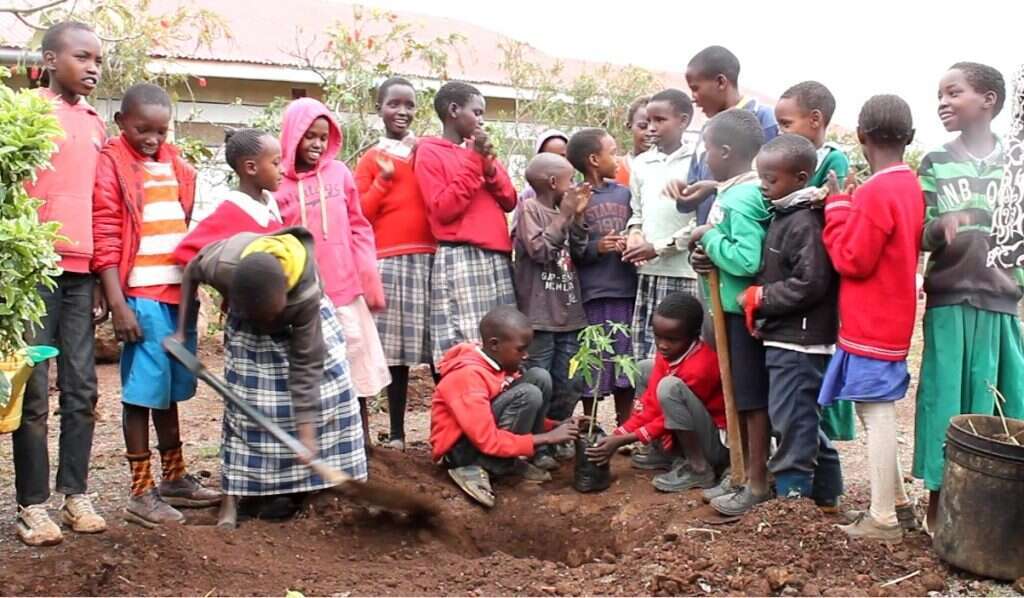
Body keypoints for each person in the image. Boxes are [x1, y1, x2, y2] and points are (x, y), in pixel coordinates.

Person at [172, 226, 367, 527]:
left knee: (331, 394)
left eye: (270, 317)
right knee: (244, 410)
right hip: (247, 328)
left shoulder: (305, 293)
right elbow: (192, 271)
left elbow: (306, 366)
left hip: (303, 330)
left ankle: (324, 490)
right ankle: (232, 498)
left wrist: (306, 435)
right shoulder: (223, 265)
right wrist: (181, 332)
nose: (267, 323)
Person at [92, 83, 222, 528]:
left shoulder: (175, 166)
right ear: (121, 122)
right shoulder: (112, 166)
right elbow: (106, 236)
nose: (152, 138)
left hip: (175, 297)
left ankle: (174, 478)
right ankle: (141, 490)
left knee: (169, 390)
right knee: (142, 394)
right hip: (141, 297)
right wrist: (117, 303)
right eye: (142, 129)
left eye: (160, 130)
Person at [913, 62, 1023, 534]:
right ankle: (940, 508)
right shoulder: (936, 162)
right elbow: (920, 233)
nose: (942, 101)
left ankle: (998, 513)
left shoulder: (1017, 165)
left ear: (989, 100)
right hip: (950, 299)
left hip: (1001, 301)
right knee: (945, 403)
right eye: (939, 94)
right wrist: (941, 227)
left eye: (953, 92)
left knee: (1001, 402)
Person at [13, 21, 106, 546]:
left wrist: (98, 275)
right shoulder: (27, 116)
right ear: (49, 59)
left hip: (80, 274)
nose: (92, 67)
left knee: (82, 388)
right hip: (33, 272)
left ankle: (75, 494)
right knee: (32, 394)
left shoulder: (96, 125)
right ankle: (32, 505)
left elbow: (99, 200)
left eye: (97, 59)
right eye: (81, 57)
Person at [818, 95, 924, 542]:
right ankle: (897, 504)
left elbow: (852, 259)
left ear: (860, 137)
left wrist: (837, 208)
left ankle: (880, 518)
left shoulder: (877, 191)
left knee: (874, 411)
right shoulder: (910, 185)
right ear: (910, 139)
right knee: (875, 407)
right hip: (893, 313)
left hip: (870, 319)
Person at [276, 98, 389, 452]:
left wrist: (367, 275)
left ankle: (363, 444)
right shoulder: (276, 182)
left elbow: (358, 225)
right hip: (304, 297)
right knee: (316, 370)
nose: (317, 144)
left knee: (357, 366)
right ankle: (322, 449)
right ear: (292, 135)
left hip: (345, 290)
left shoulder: (339, 173)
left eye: (323, 137)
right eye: (308, 136)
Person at [737, 134, 844, 510]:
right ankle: (828, 497)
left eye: (771, 180)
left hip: (799, 341)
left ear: (800, 177)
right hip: (788, 337)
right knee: (801, 418)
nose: (764, 187)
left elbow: (811, 283)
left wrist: (760, 297)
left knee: (792, 421)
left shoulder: (804, 221)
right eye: (761, 178)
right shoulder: (786, 214)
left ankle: (791, 505)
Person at [689, 109, 771, 516]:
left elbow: (745, 259)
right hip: (727, 308)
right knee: (739, 397)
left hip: (742, 314)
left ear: (724, 151)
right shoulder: (731, 192)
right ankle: (739, 472)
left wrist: (710, 238)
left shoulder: (742, 197)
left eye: (706, 149)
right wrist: (706, 255)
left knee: (753, 400)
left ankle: (756, 481)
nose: (704, 157)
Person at [431, 306, 581, 507]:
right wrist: (548, 438)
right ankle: (480, 467)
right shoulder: (468, 376)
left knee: (539, 377)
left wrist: (556, 426)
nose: (526, 355)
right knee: (529, 393)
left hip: (481, 439)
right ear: (495, 344)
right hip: (462, 453)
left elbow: (510, 412)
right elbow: (486, 439)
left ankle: (505, 461)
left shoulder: (497, 364)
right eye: (521, 349)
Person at [354, 77, 434, 452]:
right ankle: (399, 433)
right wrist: (383, 181)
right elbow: (361, 214)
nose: (402, 112)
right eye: (394, 104)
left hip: (432, 259)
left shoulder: (427, 151)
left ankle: (445, 430)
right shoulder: (371, 159)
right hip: (389, 262)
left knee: (441, 352)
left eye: (409, 105)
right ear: (379, 109)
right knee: (395, 354)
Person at [774, 81, 856, 443]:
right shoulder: (787, 160)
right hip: (797, 263)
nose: (780, 132)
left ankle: (818, 441)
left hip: (819, 267)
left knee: (814, 365)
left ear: (816, 120)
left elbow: (819, 206)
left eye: (786, 124)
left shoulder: (833, 159)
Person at [414, 81, 518, 366]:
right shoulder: (429, 151)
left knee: (505, 340)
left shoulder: (478, 153)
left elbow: (510, 199)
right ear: (453, 110)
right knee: (469, 342)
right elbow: (443, 209)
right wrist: (474, 161)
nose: (482, 120)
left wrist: (488, 164)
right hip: (462, 255)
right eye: (477, 111)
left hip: (497, 257)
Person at [585, 293, 725, 490]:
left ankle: (699, 468)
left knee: (669, 387)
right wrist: (619, 433)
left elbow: (666, 418)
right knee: (644, 368)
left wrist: (623, 440)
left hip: (713, 444)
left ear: (694, 335)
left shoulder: (700, 367)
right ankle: (664, 452)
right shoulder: (667, 354)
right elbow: (652, 405)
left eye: (671, 339)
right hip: (687, 428)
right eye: (658, 337)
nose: (662, 345)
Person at [513, 153, 590, 468]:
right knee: (539, 379)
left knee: (568, 382)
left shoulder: (565, 213)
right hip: (540, 317)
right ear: (554, 182)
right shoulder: (530, 209)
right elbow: (541, 250)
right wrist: (565, 216)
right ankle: (538, 444)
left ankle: (558, 432)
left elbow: (581, 251)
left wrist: (579, 218)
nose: (573, 186)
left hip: (569, 314)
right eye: (570, 180)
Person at [621, 89, 698, 368]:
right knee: (647, 358)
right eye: (648, 120)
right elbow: (637, 213)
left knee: (685, 354)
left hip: (685, 273)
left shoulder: (698, 160)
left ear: (684, 120)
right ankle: (650, 409)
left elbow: (700, 221)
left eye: (660, 120)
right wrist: (635, 235)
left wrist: (658, 247)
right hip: (649, 274)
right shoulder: (641, 164)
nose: (652, 128)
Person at [567, 128, 638, 426]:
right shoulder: (575, 197)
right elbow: (572, 248)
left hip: (625, 289)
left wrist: (630, 241)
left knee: (625, 362)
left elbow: (638, 227)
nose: (618, 157)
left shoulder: (626, 193)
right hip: (593, 293)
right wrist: (597, 246)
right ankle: (590, 426)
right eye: (613, 151)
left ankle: (624, 427)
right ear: (594, 159)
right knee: (592, 361)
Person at [670, 45, 779, 225]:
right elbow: (694, 189)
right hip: (708, 242)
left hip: (742, 243)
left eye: (696, 88)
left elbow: (774, 185)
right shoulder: (707, 130)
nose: (693, 97)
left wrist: (715, 188)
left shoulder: (764, 120)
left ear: (721, 82)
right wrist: (685, 194)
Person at [177, 129, 286, 259]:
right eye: (276, 163)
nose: (283, 170)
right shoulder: (229, 212)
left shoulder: (270, 207)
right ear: (251, 167)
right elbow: (185, 252)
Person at [614, 96, 652, 187]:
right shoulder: (613, 168)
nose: (650, 132)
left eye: (657, 126)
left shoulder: (673, 169)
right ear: (629, 126)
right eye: (643, 126)